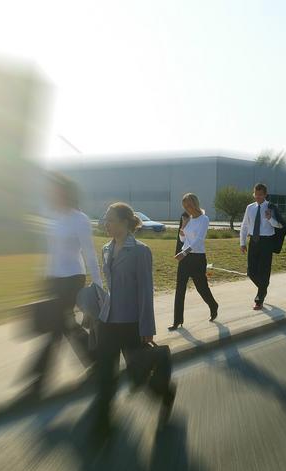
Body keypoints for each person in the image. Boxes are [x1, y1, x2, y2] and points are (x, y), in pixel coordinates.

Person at [94, 202, 176, 432]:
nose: (106, 224)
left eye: (110, 219)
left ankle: (165, 393)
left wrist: (146, 326)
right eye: (105, 219)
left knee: (136, 375)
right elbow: (111, 287)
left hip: (130, 322)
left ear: (124, 221)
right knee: (105, 374)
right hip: (107, 320)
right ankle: (102, 423)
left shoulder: (141, 251)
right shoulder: (106, 249)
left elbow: (145, 291)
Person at [23, 173, 102, 396]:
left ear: (66, 193)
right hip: (54, 279)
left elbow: (89, 254)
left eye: (55, 190)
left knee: (56, 327)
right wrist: (42, 277)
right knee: (65, 326)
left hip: (72, 279)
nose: (51, 194)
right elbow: (50, 251)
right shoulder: (54, 218)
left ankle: (37, 381)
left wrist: (97, 286)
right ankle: (97, 361)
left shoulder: (80, 219)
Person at [169, 193, 219, 330]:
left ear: (195, 204)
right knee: (180, 289)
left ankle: (213, 305)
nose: (187, 208)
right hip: (185, 258)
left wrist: (184, 252)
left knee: (201, 288)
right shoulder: (188, 219)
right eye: (185, 206)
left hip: (197, 258)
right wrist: (183, 227)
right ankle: (177, 321)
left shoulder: (204, 219)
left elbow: (199, 240)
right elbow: (183, 240)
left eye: (189, 205)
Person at [239, 183, 282, 310]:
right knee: (251, 272)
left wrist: (270, 218)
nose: (257, 197)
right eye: (255, 194)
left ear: (265, 194)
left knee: (264, 270)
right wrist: (242, 242)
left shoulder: (271, 207)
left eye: (260, 195)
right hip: (254, 241)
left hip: (267, 242)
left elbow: (279, 225)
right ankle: (263, 288)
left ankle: (259, 299)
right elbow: (245, 225)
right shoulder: (250, 207)